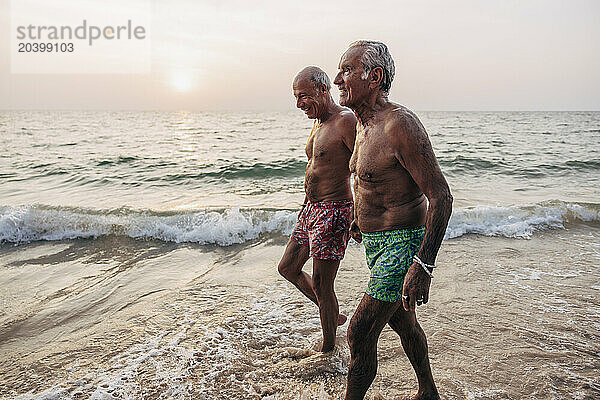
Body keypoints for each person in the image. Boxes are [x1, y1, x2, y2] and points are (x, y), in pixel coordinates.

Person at [333, 41, 453, 399]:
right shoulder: (361, 124)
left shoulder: (399, 124)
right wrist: (357, 218)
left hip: (402, 246)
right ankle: (428, 391)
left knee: (360, 330)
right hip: (376, 244)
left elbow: (441, 197)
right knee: (403, 322)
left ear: (375, 77)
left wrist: (423, 264)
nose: (338, 78)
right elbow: (371, 181)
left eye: (348, 70)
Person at [277, 66, 357, 353]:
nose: (299, 104)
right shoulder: (319, 123)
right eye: (297, 98)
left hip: (334, 211)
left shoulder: (345, 120)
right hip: (311, 209)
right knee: (287, 267)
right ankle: (332, 314)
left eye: (304, 97)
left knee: (323, 284)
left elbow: (360, 168)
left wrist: (358, 215)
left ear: (323, 90)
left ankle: (328, 349)